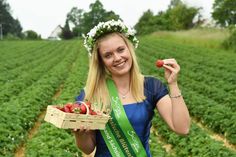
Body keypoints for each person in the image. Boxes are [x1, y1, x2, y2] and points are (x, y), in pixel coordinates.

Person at [73, 20, 190, 157]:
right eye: (108, 55)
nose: (117, 58)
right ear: (101, 61)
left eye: (120, 50)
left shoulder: (151, 86)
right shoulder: (91, 93)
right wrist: (80, 135)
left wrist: (173, 84)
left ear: (130, 49)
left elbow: (182, 128)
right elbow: (88, 149)